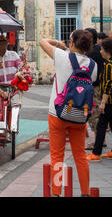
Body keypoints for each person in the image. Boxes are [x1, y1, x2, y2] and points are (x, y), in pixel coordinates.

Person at [40, 29, 97, 197]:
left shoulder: (62, 56)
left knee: (57, 156)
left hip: (58, 114)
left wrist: (58, 44)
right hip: (80, 115)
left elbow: (43, 42)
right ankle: (85, 192)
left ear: (71, 43)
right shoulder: (93, 66)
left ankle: (57, 193)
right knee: (80, 154)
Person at [87, 37, 112, 161]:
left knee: (101, 125)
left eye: (101, 49)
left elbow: (108, 85)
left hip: (108, 102)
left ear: (107, 50)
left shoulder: (108, 65)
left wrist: (102, 103)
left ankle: (96, 153)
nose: (100, 51)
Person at [85, 28, 106, 150]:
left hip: (95, 87)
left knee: (95, 114)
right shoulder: (100, 49)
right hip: (102, 86)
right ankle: (100, 140)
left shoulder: (91, 52)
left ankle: (99, 141)